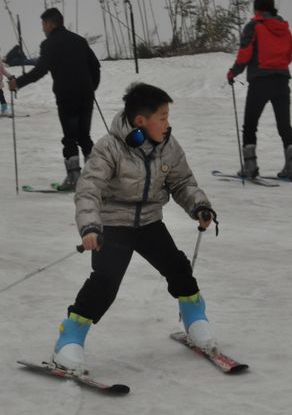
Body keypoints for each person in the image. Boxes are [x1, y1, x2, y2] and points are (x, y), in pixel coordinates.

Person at [52, 82, 219, 373]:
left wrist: (199, 206)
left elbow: (182, 182)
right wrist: (91, 226)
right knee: (104, 283)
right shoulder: (110, 148)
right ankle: (70, 338)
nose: (168, 124)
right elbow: (89, 189)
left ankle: (194, 319)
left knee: (178, 268)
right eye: (163, 117)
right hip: (114, 224)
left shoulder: (168, 145)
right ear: (141, 121)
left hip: (150, 222)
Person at [9, 8, 101, 191]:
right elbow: (95, 67)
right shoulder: (79, 40)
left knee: (70, 137)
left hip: (67, 96)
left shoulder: (50, 44)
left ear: (51, 23)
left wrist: (17, 83)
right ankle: (96, 177)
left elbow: (40, 71)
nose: (43, 28)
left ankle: (74, 177)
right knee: (84, 136)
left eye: (43, 24)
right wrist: (91, 88)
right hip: (86, 95)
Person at [227, 0, 292, 181]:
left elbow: (245, 53)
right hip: (282, 80)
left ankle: (250, 166)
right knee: (284, 125)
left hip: (260, 81)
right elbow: (290, 52)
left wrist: (233, 72)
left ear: (257, 8)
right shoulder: (284, 27)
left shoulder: (254, 26)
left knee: (250, 125)